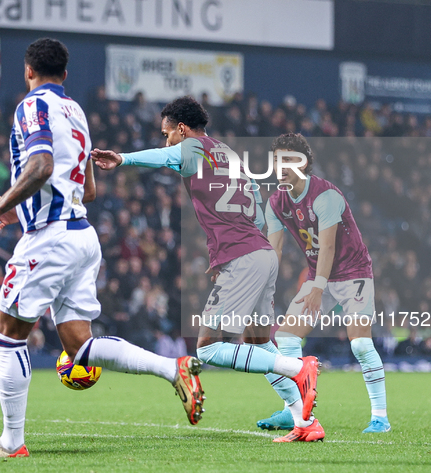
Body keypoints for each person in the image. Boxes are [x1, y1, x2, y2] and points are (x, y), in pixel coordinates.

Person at [0, 39, 205, 459]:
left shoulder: (31, 107)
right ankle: (173, 368)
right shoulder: (76, 112)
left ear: (28, 70)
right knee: (78, 344)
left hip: (51, 238)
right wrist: (13, 213)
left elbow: (39, 166)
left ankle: (11, 442)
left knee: (8, 334)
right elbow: (88, 189)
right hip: (81, 235)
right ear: (66, 74)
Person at [92, 96, 322, 443]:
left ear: (182, 129)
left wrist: (122, 158)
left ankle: (298, 368)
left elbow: (163, 157)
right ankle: (304, 422)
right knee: (260, 345)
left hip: (245, 257)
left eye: (167, 133)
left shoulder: (191, 148)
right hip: (260, 253)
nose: (165, 141)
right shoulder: (229, 154)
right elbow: (257, 210)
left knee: (208, 349)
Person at [257, 133, 390, 435]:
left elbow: (327, 247)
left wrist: (317, 287)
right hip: (320, 274)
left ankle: (380, 417)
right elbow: (273, 250)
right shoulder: (276, 203)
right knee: (287, 336)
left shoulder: (325, 196)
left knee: (360, 344)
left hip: (353, 272)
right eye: (277, 161)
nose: (282, 167)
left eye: (289, 160)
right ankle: (292, 409)